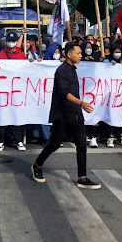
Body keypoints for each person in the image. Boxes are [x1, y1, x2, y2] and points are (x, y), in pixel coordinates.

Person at [31, 42, 101, 189]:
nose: (81, 55)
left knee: (82, 145)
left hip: (75, 114)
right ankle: (37, 164)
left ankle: (82, 177)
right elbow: (64, 93)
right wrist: (81, 103)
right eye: (78, 53)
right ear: (69, 54)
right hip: (62, 114)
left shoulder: (73, 69)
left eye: (81, 53)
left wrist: (79, 106)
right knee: (54, 143)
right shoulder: (62, 71)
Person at [0, 30, 27, 151]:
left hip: (17, 90)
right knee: (2, 115)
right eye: (9, 41)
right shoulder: (0, 55)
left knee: (17, 116)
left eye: (13, 41)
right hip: (2, 90)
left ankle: (18, 141)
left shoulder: (22, 55)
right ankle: (0, 141)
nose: (11, 43)